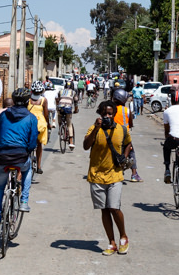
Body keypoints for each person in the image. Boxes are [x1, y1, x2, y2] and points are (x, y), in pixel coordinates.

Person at [0, 87, 38, 237]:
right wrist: (27, 151)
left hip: (2, 157)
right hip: (20, 157)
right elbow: (32, 141)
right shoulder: (31, 118)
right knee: (28, 170)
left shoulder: (3, 116)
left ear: (13, 101)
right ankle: (24, 201)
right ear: (28, 101)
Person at [84, 101, 132, 255]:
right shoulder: (94, 128)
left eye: (110, 113)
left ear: (114, 114)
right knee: (104, 209)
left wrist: (124, 158)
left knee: (114, 207)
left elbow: (128, 144)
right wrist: (96, 128)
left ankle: (123, 236)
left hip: (115, 175)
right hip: (96, 175)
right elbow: (85, 145)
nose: (107, 116)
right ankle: (111, 242)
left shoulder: (122, 130)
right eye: (104, 113)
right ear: (100, 114)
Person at [112, 88, 142, 182]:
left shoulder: (111, 109)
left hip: (112, 136)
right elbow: (131, 123)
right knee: (131, 153)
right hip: (124, 137)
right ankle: (134, 174)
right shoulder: (126, 110)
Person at [27, 81, 51, 174]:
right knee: (39, 144)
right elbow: (46, 115)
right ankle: (39, 166)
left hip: (28, 123)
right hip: (39, 124)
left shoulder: (28, 99)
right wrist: (48, 124)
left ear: (32, 90)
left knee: (27, 143)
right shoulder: (43, 100)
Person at [57, 85, 77, 150]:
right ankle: (71, 141)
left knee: (59, 115)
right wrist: (76, 110)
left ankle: (60, 128)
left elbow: (58, 99)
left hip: (60, 107)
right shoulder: (73, 92)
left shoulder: (60, 91)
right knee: (69, 124)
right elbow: (76, 102)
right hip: (68, 108)